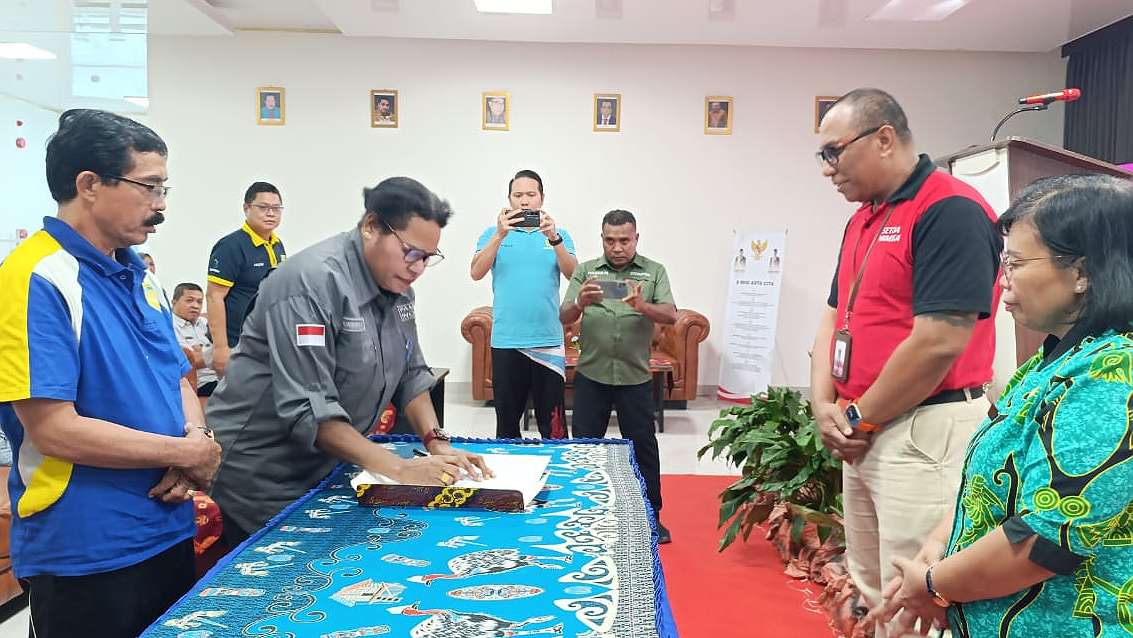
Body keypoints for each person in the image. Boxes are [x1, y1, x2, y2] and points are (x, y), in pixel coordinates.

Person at [868, 174, 1133, 637]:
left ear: (1083, 272)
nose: (1001, 280)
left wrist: (933, 585)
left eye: (1014, 263)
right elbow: (989, 481)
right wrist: (938, 548)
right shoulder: (1057, 358)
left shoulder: (1112, 375)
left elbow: (1045, 540)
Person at [0, 109, 221, 637]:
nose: (160, 204)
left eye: (164, 188)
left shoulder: (140, 275)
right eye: (149, 187)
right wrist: (183, 452)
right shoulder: (35, 278)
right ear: (89, 185)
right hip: (88, 545)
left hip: (165, 523)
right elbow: (54, 429)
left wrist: (196, 438)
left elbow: (176, 377)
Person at [810, 88, 1002, 637]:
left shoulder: (949, 209)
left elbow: (939, 342)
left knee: (916, 598)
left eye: (833, 152)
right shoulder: (864, 218)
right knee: (873, 591)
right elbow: (834, 315)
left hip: (922, 429)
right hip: (865, 427)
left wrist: (858, 418)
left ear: (884, 138)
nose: (827, 169)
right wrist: (823, 404)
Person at [207, 177, 491, 546]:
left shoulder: (398, 288)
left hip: (330, 463)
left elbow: (411, 376)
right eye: (411, 253)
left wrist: (438, 443)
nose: (417, 268)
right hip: (263, 474)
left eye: (427, 258)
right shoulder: (310, 284)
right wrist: (401, 469)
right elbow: (310, 410)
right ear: (371, 226)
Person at [560, 209, 677, 543]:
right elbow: (563, 315)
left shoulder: (654, 272)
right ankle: (583, 514)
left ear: (636, 238)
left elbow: (671, 315)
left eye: (624, 240)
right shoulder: (586, 271)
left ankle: (651, 516)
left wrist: (642, 306)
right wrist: (580, 302)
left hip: (635, 378)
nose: (617, 247)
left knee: (643, 449)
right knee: (585, 449)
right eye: (610, 240)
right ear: (602, 239)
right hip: (591, 376)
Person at [471, 170, 577, 439]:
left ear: (542, 198)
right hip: (507, 341)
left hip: (548, 342)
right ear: (509, 199)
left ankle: (554, 465)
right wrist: (499, 235)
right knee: (507, 426)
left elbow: (574, 275)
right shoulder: (492, 234)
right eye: (518, 195)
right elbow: (476, 272)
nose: (525, 201)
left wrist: (554, 239)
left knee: (554, 429)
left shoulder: (559, 235)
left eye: (531, 194)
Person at [206, 181, 286, 378]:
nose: (271, 213)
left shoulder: (277, 245)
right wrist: (221, 347)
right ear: (246, 208)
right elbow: (214, 297)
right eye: (263, 207)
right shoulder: (231, 246)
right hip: (236, 343)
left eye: (276, 208)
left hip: (266, 342)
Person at [171, 282, 219, 400]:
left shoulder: (205, 323)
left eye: (199, 302)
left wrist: (203, 355)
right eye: (189, 300)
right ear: (174, 302)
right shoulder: (169, 326)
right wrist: (216, 353)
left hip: (220, 380)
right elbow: (187, 361)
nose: (195, 306)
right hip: (199, 385)